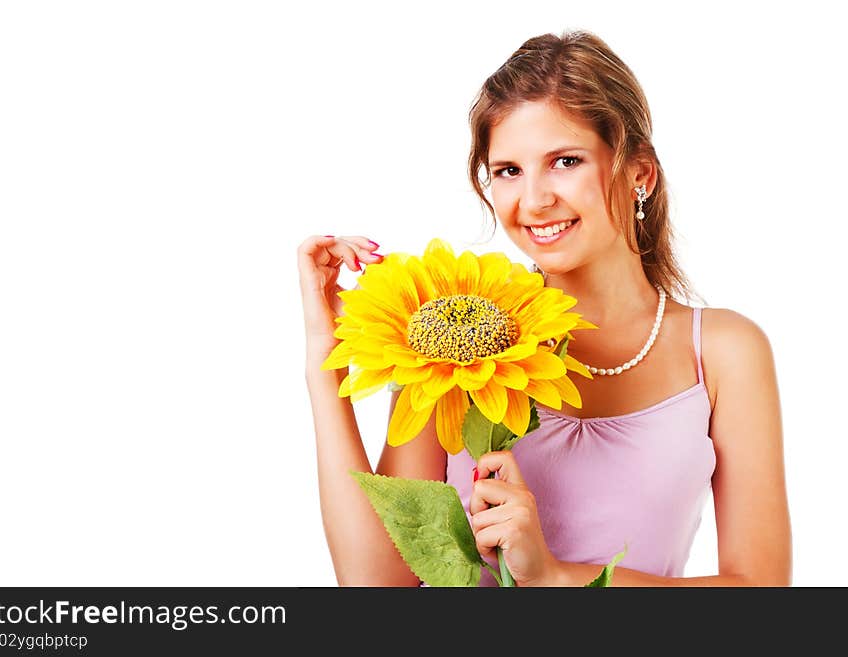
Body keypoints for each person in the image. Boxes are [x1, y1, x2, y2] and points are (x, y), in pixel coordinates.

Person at [297, 30, 791, 586]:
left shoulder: (724, 353)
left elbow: (761, 593)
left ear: (639, 174)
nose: (533, 201)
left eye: (565, 161)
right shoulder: (457, 339)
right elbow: (377, 588)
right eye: (508, 170)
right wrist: (326, 359)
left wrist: (555, 577)